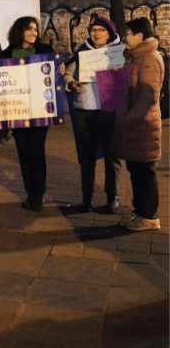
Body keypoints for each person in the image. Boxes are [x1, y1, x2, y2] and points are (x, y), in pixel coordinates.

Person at [1, 16, 64, 211]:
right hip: (17, 111)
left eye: (36, 29)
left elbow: (54, 74)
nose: (34, 33)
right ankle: (30, 193)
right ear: (19, 31)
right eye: (29, 29)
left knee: (36, 152)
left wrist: (60, 68)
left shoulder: (45, 51)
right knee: (23, 153)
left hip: (39, 111)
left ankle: (40, 193)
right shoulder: (6, 54)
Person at [64, 17, 122, 213]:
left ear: (110, 33)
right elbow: (68, 73)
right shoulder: (82, 53)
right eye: (93, 29)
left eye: (101, 30)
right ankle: (86, 198)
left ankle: (112, 197)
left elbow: (129, 79)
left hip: (109, 111)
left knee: (111, 156)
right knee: (86, 157)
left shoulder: (118, 54)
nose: (96, 33)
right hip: (85, 111)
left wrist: (120, 72)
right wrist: (71, 83)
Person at [114, 17, 164, 231]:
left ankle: (150, 216)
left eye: (128, 33)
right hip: (136, 125)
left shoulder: (149, 59)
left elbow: (148, 98)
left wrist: (127, 118)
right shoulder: (136, 58)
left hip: (144, 126)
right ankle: (140, 212)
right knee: (136, 170)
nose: (125, 37)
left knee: (145, 172)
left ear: (140, 36)